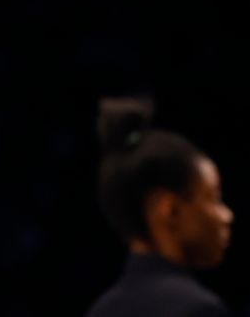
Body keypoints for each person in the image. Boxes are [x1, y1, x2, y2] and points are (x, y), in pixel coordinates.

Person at [85, 96, 235, 317]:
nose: (226, 216)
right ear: (169, 209)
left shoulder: (100, 311)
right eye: (213, 198)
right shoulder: (196, 309)